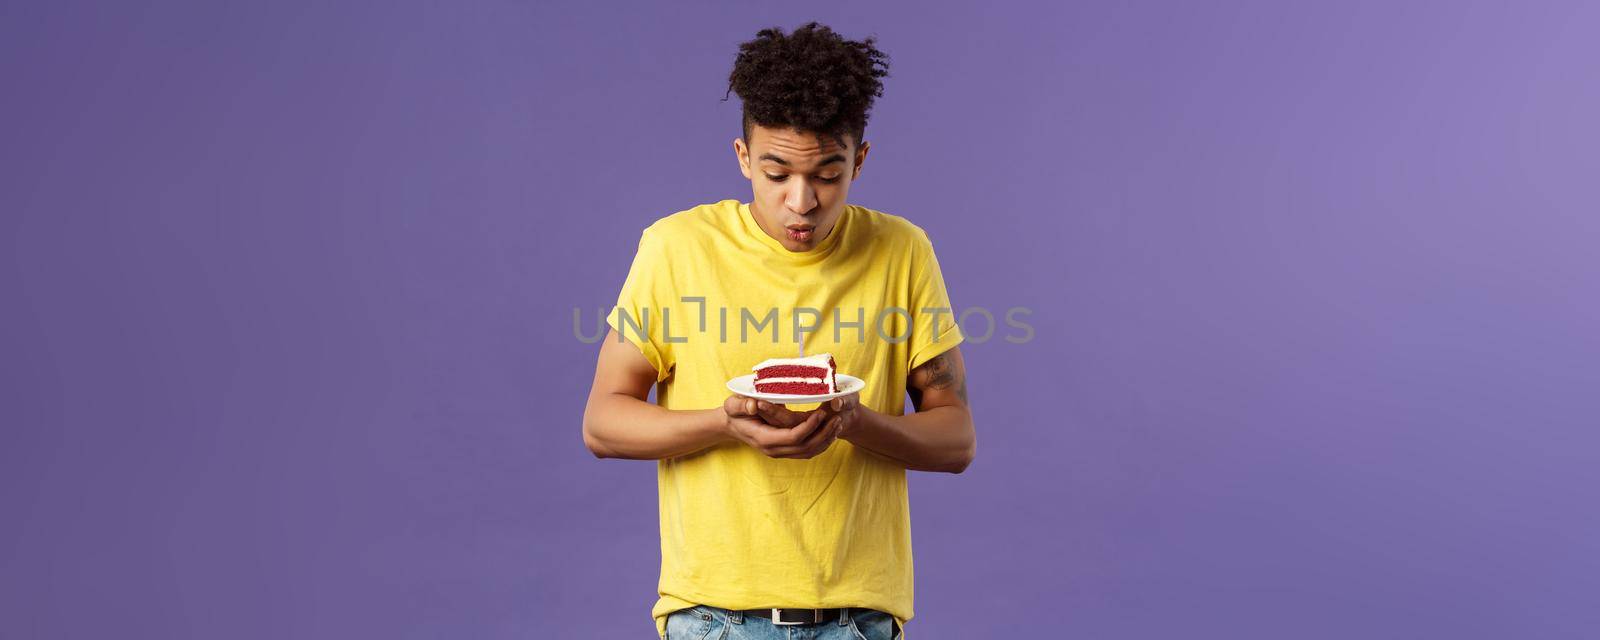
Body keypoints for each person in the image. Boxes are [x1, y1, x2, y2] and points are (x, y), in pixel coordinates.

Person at [582, 22, 975, 640]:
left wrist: (855, 422)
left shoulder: (902, 251)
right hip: (713, 616)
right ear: (742, 158)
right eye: (776, 173)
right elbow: (603, 423)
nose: (802, 201)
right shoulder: (676, 249)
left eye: (827, 174)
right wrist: (723, 423)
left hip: (859, 619)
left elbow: (956, 440)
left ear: (860, 160)